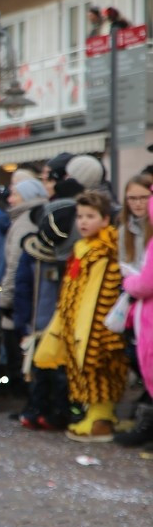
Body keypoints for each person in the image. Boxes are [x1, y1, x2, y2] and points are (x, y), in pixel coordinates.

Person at [34, 191, 128, 442]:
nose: (83, 222)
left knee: (98, 369)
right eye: (80, 216)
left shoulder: (105, 251)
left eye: (90, 216)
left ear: (105, 219)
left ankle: (102, 418)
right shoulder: (81, 248)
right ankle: (93, 414)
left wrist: (97, 326)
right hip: (76, 321)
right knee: (79, 369)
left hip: (95, 325)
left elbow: (102, 293)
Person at [15, 201, 78, 431]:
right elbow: (23, 288)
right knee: (38, 370)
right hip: (38, 322)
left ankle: (58, 410)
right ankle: (38, 408)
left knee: (58, 371)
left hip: (59, 321)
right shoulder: (33, 254)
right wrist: (22, 321)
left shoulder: (73, 254)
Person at [0, 179, 50, 392]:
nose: (10, 199)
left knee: (20, 348)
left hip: (22, 294)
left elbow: (14, 264)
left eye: (15, 195)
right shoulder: (25, 218)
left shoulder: (25, 222)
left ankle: (26, 394)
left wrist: (5, 297)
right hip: (25, 292)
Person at [119, 182, 153, 447]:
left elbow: (145, 282)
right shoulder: (126, 231)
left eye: (144, 198)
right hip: (137, 311)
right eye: (132, 198)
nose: (138, 204)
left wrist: (131, 283)